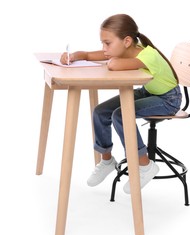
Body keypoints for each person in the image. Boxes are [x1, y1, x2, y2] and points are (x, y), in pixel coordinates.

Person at [60, 14, 182, 194]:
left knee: (120, 114)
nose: (104, 48)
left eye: (107, 43)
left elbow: (114, 65)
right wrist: (79, 55)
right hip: (149, 91)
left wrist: (108, 60)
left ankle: (145, 165)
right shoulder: (128, 49)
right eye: (102, 43)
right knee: (101, 111)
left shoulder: (148, 55)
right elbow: (103, 56)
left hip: (168, 99)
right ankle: (107, 160)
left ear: (126, 41)